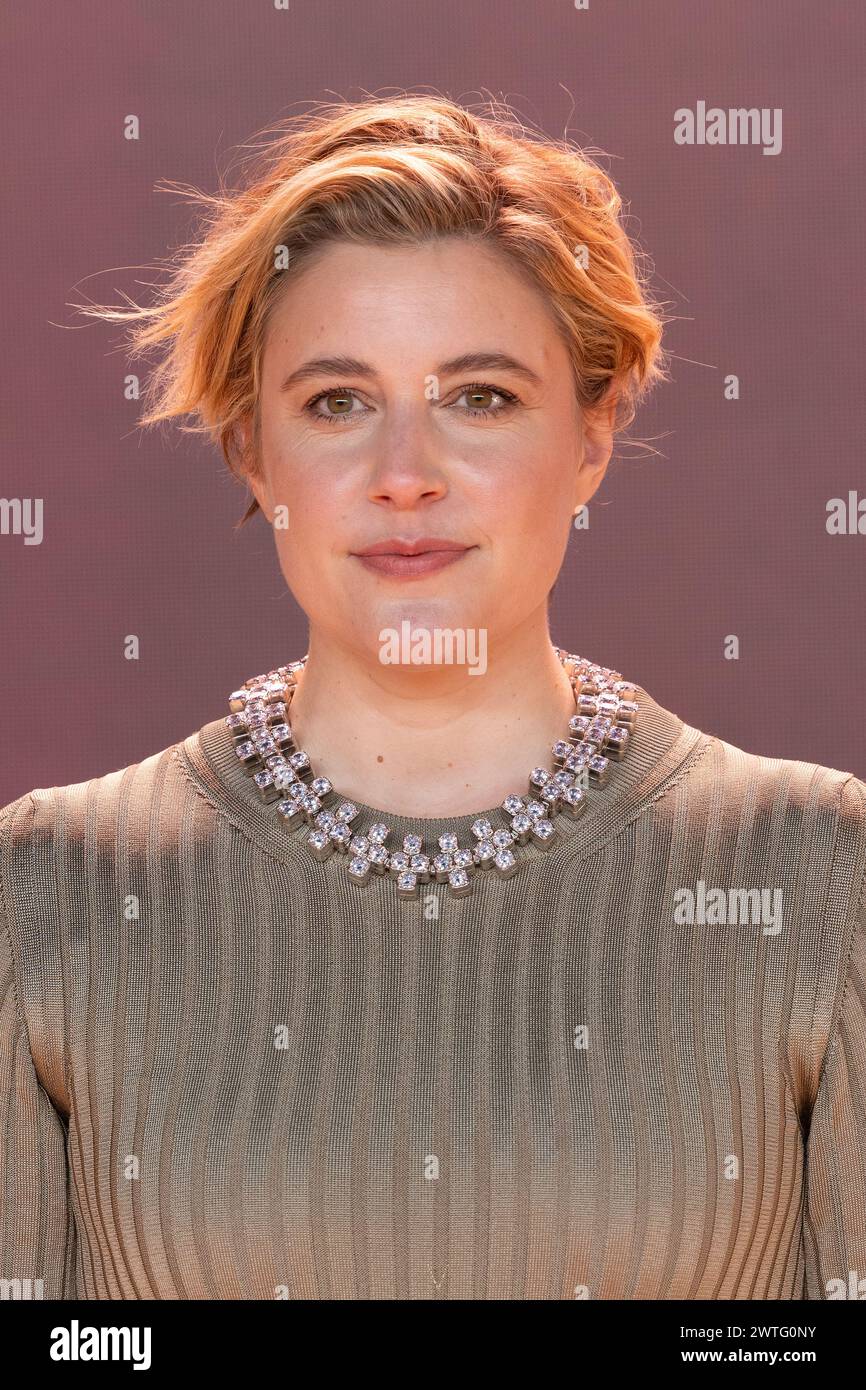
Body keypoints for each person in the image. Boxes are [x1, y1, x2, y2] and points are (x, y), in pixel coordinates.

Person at [1, 94, 864, 1301]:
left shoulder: (816, 880)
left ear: (593, 434)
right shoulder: (50, 892)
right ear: (252, 446)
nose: (404, 476)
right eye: (337, 403)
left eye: (481, 397)